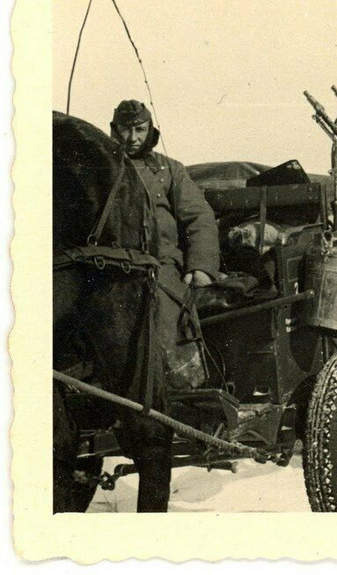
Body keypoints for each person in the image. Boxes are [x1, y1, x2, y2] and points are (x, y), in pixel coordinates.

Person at [108, 99, 221, 511]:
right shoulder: (104, 170)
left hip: (162, 271)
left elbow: (199, 219)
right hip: (112, 270)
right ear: (114, 130)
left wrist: (202, 268)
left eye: (140, 131)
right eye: (126, 130)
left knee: (162, 327)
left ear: (150, 130)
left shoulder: (169, 170)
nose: (133, 139)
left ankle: (175, 389)